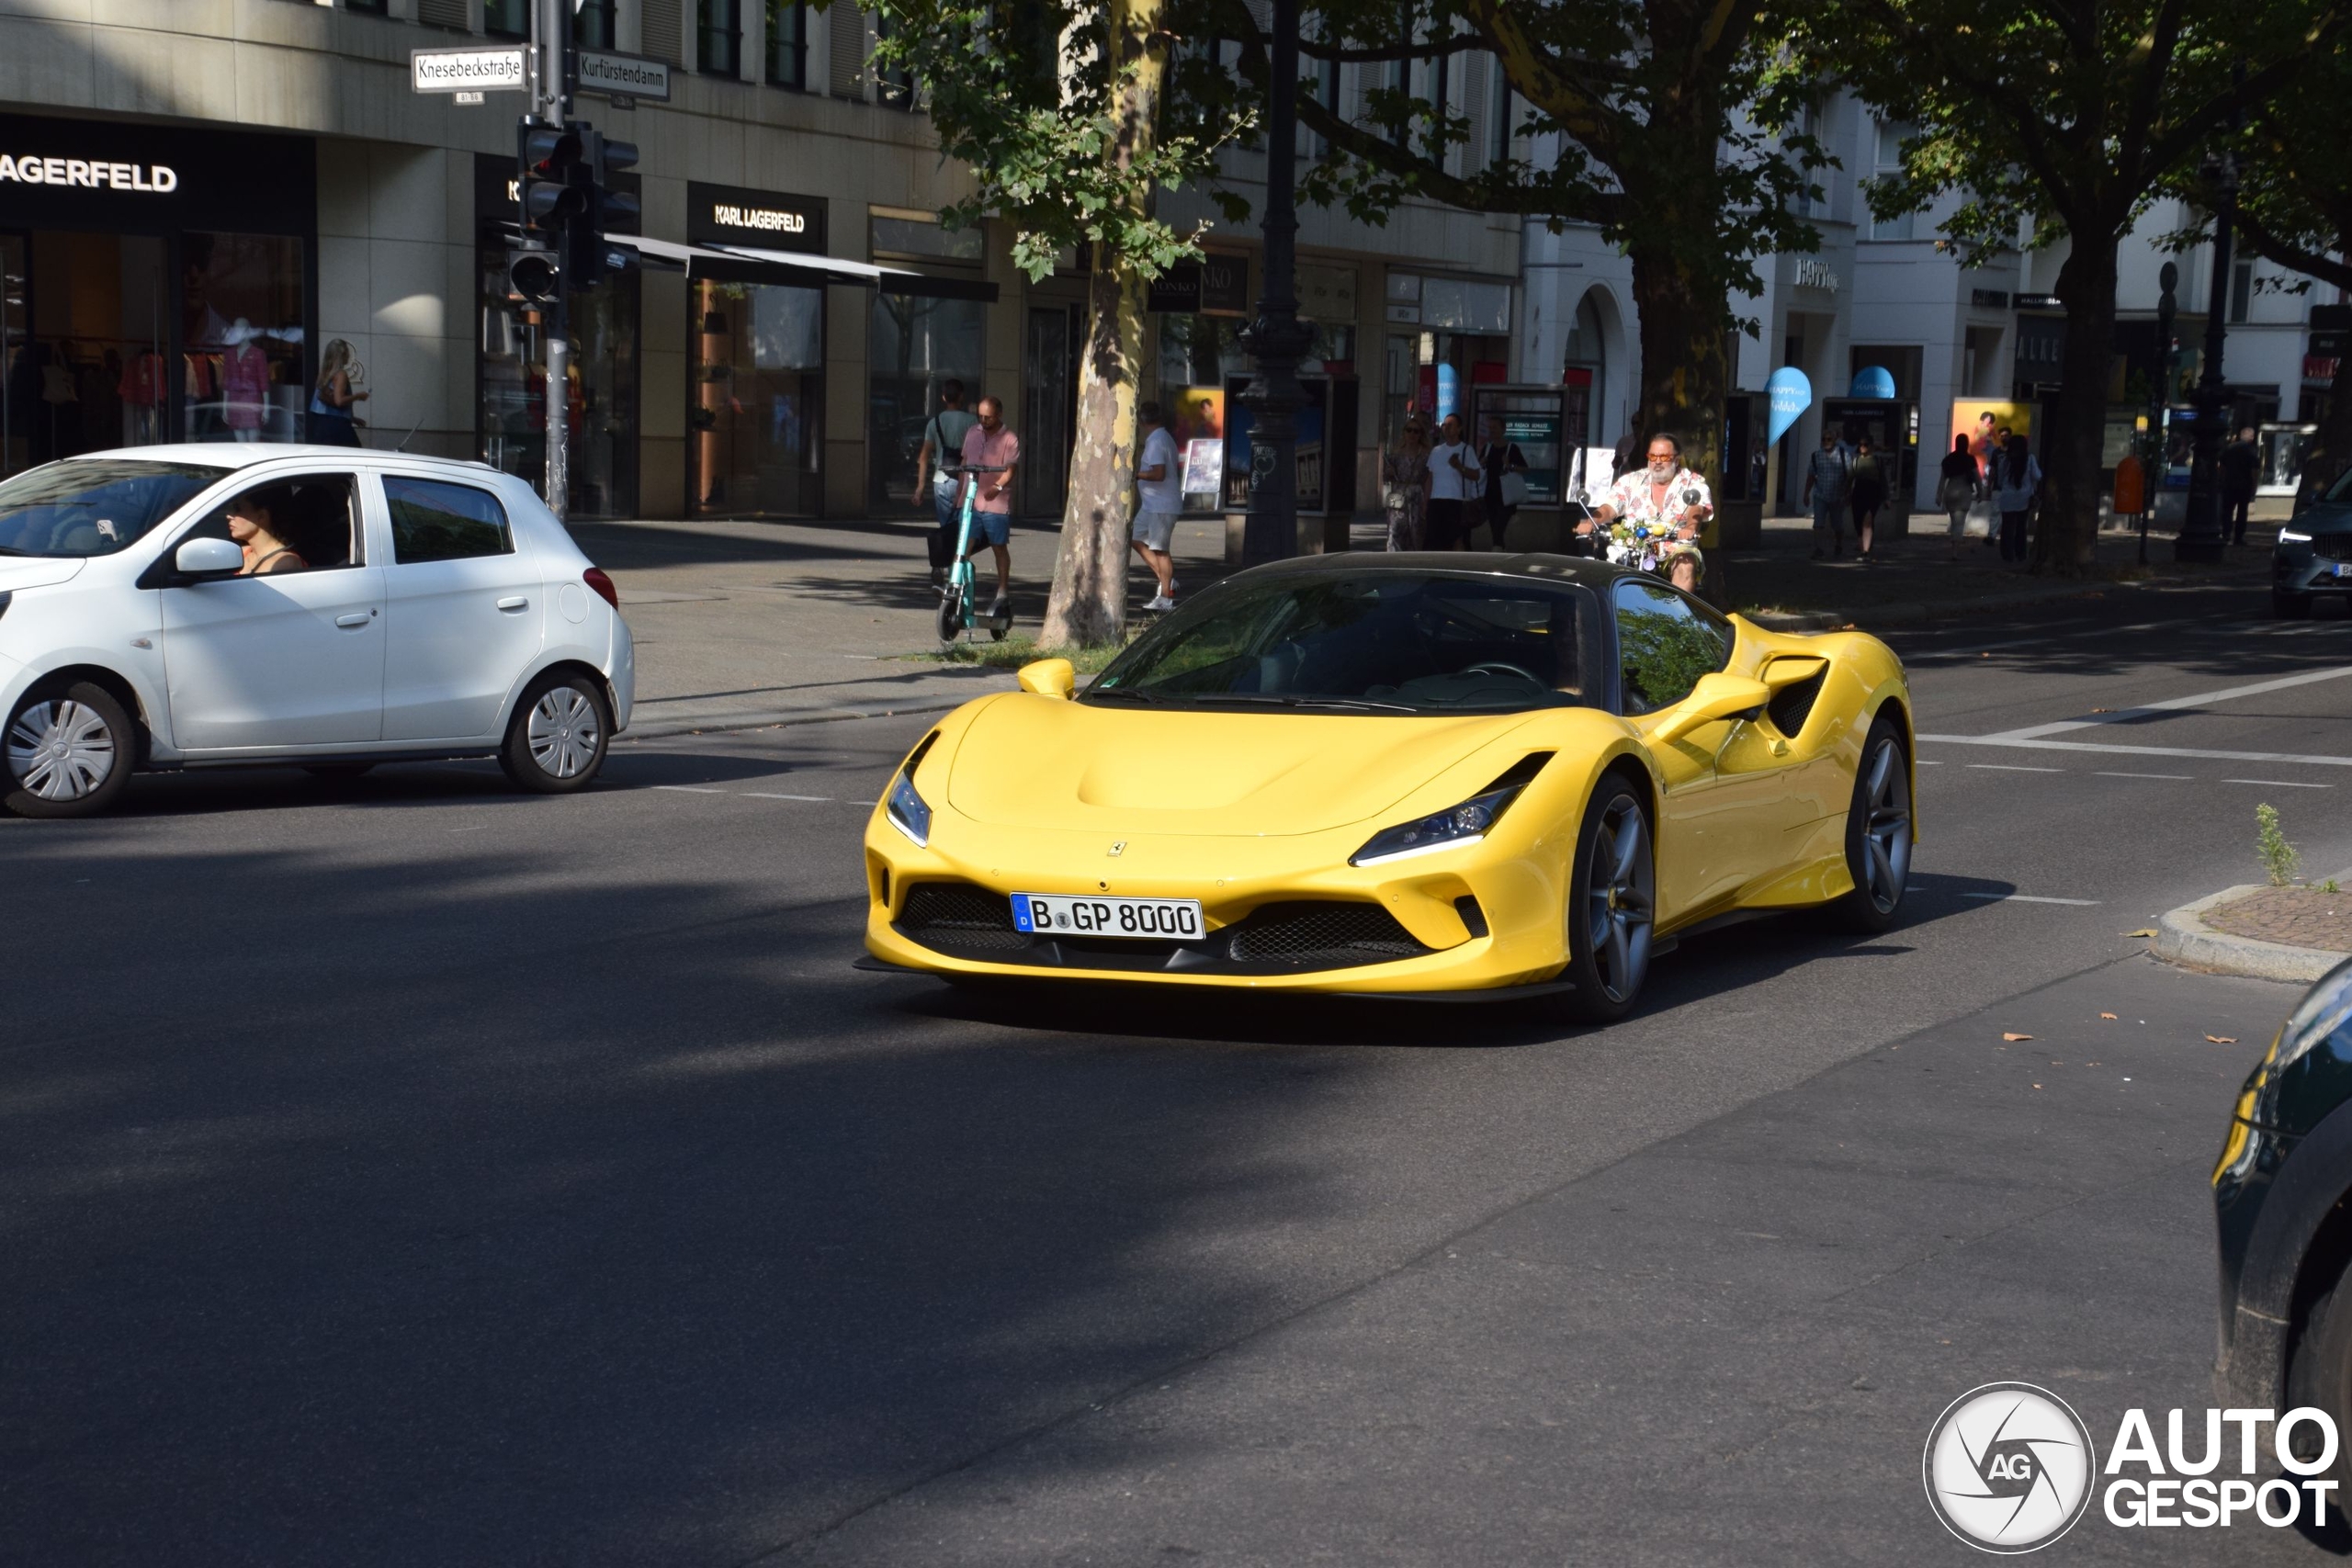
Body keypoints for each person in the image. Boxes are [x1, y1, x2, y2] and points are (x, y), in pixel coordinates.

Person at [1582, 434, 1710, 592]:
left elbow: (1696, 508)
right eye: (1653, 456)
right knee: (1598, 572)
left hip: (1675, 545)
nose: (1657, 461)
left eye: (1663, 457)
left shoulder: (1692, 481)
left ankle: (1677, 614)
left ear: (1676, 460)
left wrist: (1690, 528)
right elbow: (1609, 507)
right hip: (1633, 545)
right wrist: (1590, 521)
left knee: (1685, 563)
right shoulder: (1632, 480)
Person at [913, 379, 981, 584]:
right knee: (963, 527)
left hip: (942, 480)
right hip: (966, 479)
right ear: (961, 396)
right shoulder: (972, 422)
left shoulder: (934, 422)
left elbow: (924, 456)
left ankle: (940, 564)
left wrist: (920, 488)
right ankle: (956, 571)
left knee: (946, 527)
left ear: (943, 397)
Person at [956, 395, 1019, 614]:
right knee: (963, 545)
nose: (984, 421)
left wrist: (998, 487)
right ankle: (957, 586)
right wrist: (959, 495)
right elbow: (964, 463)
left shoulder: (1009, 438)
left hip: (995, 505)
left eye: (989, 417)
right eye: (981, 417)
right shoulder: (973, 433)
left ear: (999, 415)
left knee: (998, 546)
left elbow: (1011, 469)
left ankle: (1002, 591)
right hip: (971, 501)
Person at [1131, 400, 1182, 610]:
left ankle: (1166, 597)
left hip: (1161, 505)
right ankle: (1166, 580)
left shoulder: (1156, 441)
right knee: (1135, 537)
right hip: (1152, 504)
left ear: (1141, 422)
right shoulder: (1162, 437)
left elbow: (1158, 474)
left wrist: (1134, 474)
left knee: (1160, 550)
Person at [1478, 414, 1530, 550]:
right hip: (1490, 495)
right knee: (1495, 528)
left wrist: (1510, 465)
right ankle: (1500, 552)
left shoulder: (1511, 448)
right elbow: (1478, 468)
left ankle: (1496, 553)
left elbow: (1525, 468)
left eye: (1495, 427)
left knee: (1499, 528)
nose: (1492, 431)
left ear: (1503, 429)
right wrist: (1481, 463)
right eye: (1490, 428)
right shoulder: (1487, 448)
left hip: (1506, 497)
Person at [1381, 414, 1431, 551]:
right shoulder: (1395, 454)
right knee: (1394, 531)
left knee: (1416, 533)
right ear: (1404, 432)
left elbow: (1429, 478)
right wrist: (1389, 473)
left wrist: (1426, 501)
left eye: (1416, 431)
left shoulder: (1426, 455)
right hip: (1397, 492)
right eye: (1409, 430)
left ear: (1421, 434)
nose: (1412, 434)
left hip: (1416, 494)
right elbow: (1386, 478)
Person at [227, 492, 307, 576]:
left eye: (237, 509)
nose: (229, 516)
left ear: (262, 516)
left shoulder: (285, 561)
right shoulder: (242, 552)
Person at [1801, 428, 1851, 559]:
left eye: (1829, 439)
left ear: (1834, 440)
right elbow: (1811, 476)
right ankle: (1818, 548)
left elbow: (1850, 476)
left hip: (1837, 496)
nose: (1826, 442)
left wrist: (1848, 493)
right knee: (1818, 523)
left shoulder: (1843, 455)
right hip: (1820, 495)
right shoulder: (1816, 455)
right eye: (1824, 439)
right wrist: (1806, 494)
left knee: (1838, 525)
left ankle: (1838, 544)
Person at [309, 339, 368, 448]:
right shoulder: (341, 374)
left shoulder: (323, 373)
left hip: (320, 424)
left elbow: (329, 401)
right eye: (347, 352)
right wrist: (358, 396)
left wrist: (352, 418)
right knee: (355, 454)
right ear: (341, 355)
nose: (349, 356)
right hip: (337, 425)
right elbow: (339, 401)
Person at [1994, 432, 2041, 564]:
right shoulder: (2030, 459)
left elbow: (2000, 478)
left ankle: (2007, 554)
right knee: (2021, 527)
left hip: (2007, 497)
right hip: (2024, 497)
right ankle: (2021, 553)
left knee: (2007, 527)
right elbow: (2037, 476)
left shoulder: (2005, 459)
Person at [1936, 433, 1979, 559]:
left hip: (1950, 491)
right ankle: (1955, 551)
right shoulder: (1970, 459)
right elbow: (1977, 478)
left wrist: (1938, 495)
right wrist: (1981, 492)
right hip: (1964, 491)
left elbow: (1942, 480)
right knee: (1959, 523)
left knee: (1954, 521)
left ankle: (1954, 547)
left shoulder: (1948, 459)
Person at [1848, 436, 1887, 563]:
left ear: (1871, 446)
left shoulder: (1878, 461)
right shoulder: (1856, 461)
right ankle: (1862, 549)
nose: (1862, 447)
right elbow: (1849, 479)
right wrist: (1845, 494)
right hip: (1858, 492)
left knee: (1868, 521)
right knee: (1858, 522)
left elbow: (1883, 480)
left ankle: (1866, 551)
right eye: (1860, 444)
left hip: (1873, 493)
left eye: (1865, 444)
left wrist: (1887, 498)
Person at [2222, 425, 2259, 546]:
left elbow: (2222, 466)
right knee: (2242, 512)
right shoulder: (2251, 450)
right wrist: (2254, 486)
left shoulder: (2230, 448)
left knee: (2227, 510)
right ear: (2252, 437)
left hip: (2229, 484)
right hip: (2244, 485)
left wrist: (2222, 479)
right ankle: (2238, 537)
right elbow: (2254, 470)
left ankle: (2225, 534)